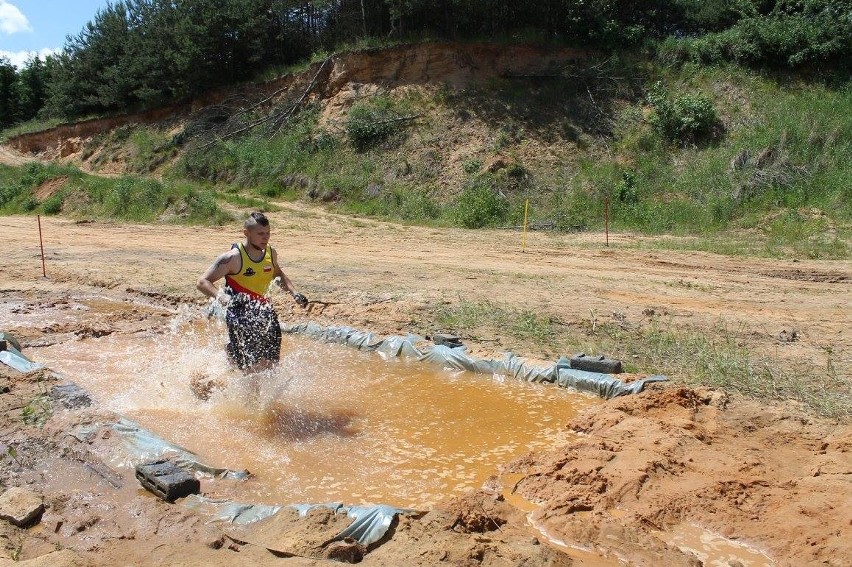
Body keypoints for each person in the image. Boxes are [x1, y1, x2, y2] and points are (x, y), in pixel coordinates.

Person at [197, 212, 308, 372]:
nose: (265, 237)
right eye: (260, 234)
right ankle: (234, 367)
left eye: (268, 233)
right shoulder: (233, 258)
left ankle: (232, 353)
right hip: (239, 316)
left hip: (266, 314)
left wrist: (294, 293)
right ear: (246, 233)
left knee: (271, 364)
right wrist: (223, 298)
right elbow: (202, 282)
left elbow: (278, 275)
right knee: (249, 368)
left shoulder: (271, 253)